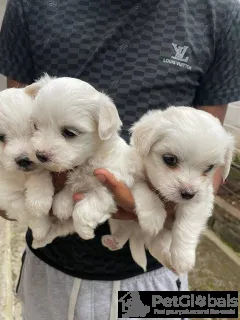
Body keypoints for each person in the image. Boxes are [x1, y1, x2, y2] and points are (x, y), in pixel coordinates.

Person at [0, 0, 240, 319]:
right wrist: (16, 196)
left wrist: (165, 209)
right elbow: (16, 127)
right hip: (50, 268)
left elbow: (211, 155)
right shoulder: (29, 5)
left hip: (156, 278)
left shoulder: (220, 13)